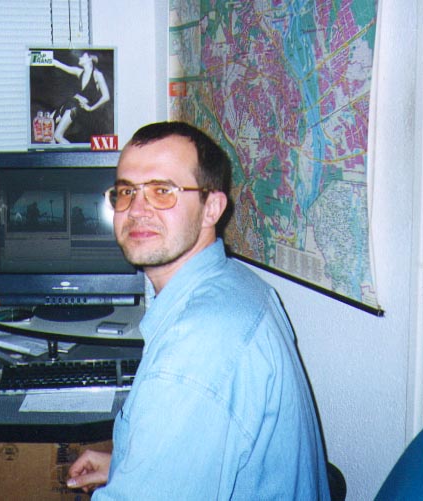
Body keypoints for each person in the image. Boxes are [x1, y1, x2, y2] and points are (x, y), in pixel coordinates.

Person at [67, 121, 331, 499]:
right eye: (126, 191)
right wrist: (124, 463)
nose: (136, 210)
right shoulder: (236, 282)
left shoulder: (195, 348)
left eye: (162, 191)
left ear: (212, 209)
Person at [51, 52, 110, 144]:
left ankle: (72, 153)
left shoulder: (97, 75)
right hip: (70, 104)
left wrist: (91, 108)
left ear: (89, 60)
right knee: (48, 129)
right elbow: (59, 65)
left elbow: (106, 96)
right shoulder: (79, 72)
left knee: (57, 136)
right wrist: (46, 59)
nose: (79, 58)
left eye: (83, 56)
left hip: (78, 109)